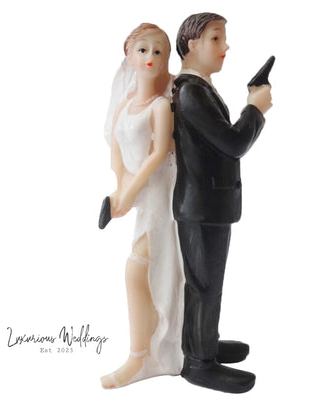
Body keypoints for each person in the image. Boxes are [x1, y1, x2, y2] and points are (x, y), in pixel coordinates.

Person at [172, 12, 273, 393]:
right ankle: (199, 363)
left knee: (208, 283)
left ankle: (204, 343)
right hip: (200, 206)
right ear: (192, 44)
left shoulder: (199, 88)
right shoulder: (190, 92)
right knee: (204, 286)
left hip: (208, 204)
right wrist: (255, 109)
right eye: (216, 38)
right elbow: (233, 143)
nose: (225, 46)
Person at [99, 23, 184, 389]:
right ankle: (145, 353)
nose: (151, 57)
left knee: (141, 270)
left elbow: (158, 154)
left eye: (159, 51)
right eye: (144, 50)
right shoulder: (125, 104)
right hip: (140, 196)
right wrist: (120, 191)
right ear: (129, 56)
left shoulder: (162, 106)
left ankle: (142, 358)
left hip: (162, 194)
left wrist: (132, 191)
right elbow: (116, 153)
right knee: (143, 273)